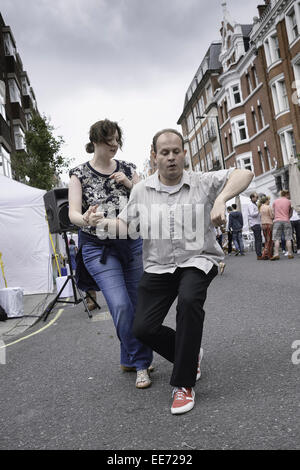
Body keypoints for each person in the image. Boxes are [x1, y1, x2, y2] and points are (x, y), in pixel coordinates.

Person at [101, 129, 253, 415]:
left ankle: (183, 385)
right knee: (142, 328)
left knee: (189, 300)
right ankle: (188, 354)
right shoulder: (141, 190)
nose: (171, 158)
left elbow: (243, 174)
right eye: (164, 152)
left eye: (176, 151)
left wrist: (221, 199)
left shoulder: (201, 182)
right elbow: (125, 227)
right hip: (159, 266)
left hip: (198, 259)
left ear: (184, 153)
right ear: (154, 156)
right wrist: (97, 222)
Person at [68, 119, 153, 389]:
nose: (114, 145)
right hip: (97, 247)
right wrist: (85, 219)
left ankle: (128, 357)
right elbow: (72, 213)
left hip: (130, 243)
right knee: (119, 304)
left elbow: (146, 197)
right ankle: (141, 364)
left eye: (117, 139)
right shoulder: (78, 173)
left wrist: (128, 183)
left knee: (138, 307)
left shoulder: (128, 168)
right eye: (109, 141)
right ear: (95, 141)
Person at [270, 190, 294, 260]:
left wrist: (276, 217)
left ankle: (276, 254)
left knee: (276, 238)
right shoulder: (289, 202)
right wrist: (287, 217)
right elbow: (291, 213)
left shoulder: (275, 201)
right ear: (286, 194)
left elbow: (273, 212)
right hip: (286, 220)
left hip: (277, 221)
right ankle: (290, 253)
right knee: (288, 238)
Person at [247, 192, 263, 259]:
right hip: (255, 223)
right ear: (252, 197)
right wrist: (259, 211)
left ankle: (259, 254)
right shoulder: (251, 205)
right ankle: (259, 254)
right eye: (256, 197)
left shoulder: (254, 204)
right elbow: (252, 214)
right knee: (258, 239)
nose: (257, 199)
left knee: (258, 239)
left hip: (256, 223)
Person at [258, 195, 273, 260]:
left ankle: (266, 253)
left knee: (266, 239)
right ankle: (266, 254)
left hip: (263, 224)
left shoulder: (260, 207)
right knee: (269, 240)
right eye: (269, 200)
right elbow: (272, 216)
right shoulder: (268, 207)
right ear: (266, 200)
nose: (269, 201)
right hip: (269, 223)